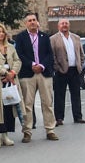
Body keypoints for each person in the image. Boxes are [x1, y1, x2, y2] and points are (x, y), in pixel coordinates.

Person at [14, 13, 57, 142]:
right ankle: (27, 131)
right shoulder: (20, 37)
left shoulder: (44, 37)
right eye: (29, 20)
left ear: (37, 22)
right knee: (27, 104)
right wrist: (32, 64)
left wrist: (42, 65)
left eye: (34, 20)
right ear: (25, 23)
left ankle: (50, 130)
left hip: (44, 73)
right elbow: (20, 54)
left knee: (47, 103)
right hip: (28, 73)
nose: (32, 22)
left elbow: (50, 54)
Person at [50, 18, 85, 125]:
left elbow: (81, 53)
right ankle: (59, 118)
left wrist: (80, 64)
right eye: (62, 23)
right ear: (58, 26)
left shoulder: (76, 37)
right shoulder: (53, 39)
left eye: (66, 23)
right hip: (61, 71)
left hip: (75, 70)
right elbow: (52, 55)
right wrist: (57, 67)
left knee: (76, 94)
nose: (64, 25)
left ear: (69, 25)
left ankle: (78, 117)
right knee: (59, 95)